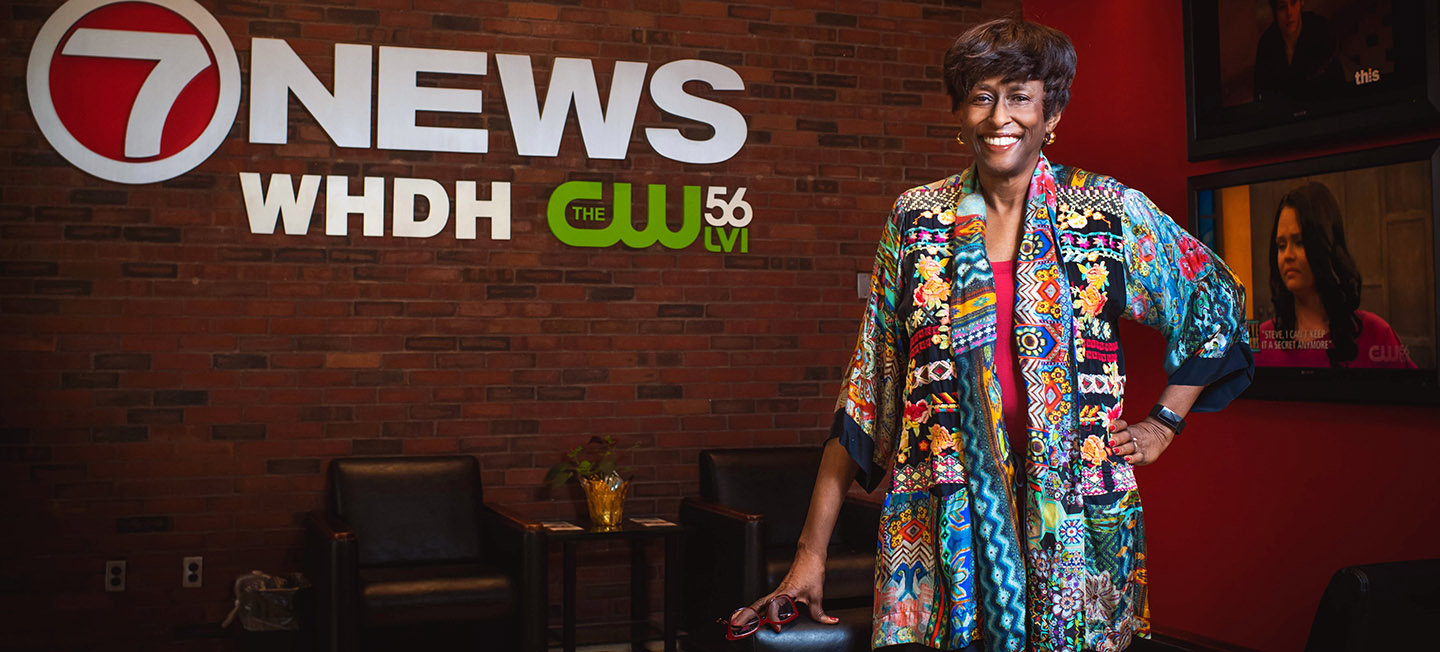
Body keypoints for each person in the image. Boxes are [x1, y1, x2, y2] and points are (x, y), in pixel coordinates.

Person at [729, 18, 1254, 652]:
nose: (999, 116)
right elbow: (868, 387)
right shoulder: (915, 221)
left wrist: (1163, 424)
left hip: (1075, 525)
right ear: (959, 110)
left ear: (1051, 110)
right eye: (981, 96)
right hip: (943, 522)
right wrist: (809, 556)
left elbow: (1216, 303)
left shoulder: (1106, 216)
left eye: (1019, 96)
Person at [1254, 182, 1416, 369]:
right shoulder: (1259, 340)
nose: (1287, 256)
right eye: (1281, 246)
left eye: (1299, 242)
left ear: (1326, 246)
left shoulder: (1376, 334)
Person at [1252, 0, 1344, 105]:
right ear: (1275, 11)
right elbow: (1261, 99)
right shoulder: (1267, 44)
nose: (1289, 13)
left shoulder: (1321, 30)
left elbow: (1338, 86)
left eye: (1293, 3)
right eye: (1282, 7)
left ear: (1301, 2)